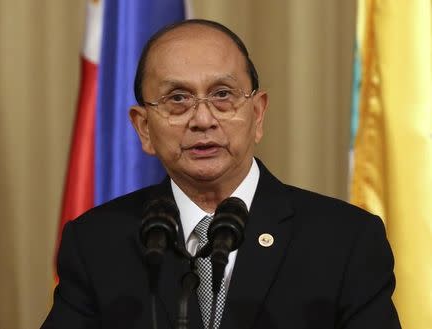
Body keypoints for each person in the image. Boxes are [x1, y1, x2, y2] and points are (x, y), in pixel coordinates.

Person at [41, 19, 401, 329]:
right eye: (177, 99)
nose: (202, 119)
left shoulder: (344, 241)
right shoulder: (96, 244)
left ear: (257, 115)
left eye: (223, 95)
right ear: (144, 128)